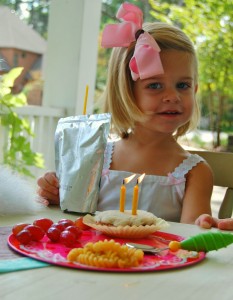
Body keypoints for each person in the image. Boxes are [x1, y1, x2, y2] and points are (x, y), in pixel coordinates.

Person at [38, 2, 215, 225]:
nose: (173, 96)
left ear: (195, 90)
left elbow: (191, 242)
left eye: (182, 85)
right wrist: (54, 195)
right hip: (94, 258)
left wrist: (208, 227)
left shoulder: (195, 173)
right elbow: (71, 221)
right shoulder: (95, 158)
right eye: (155, 86)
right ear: (125, 92)